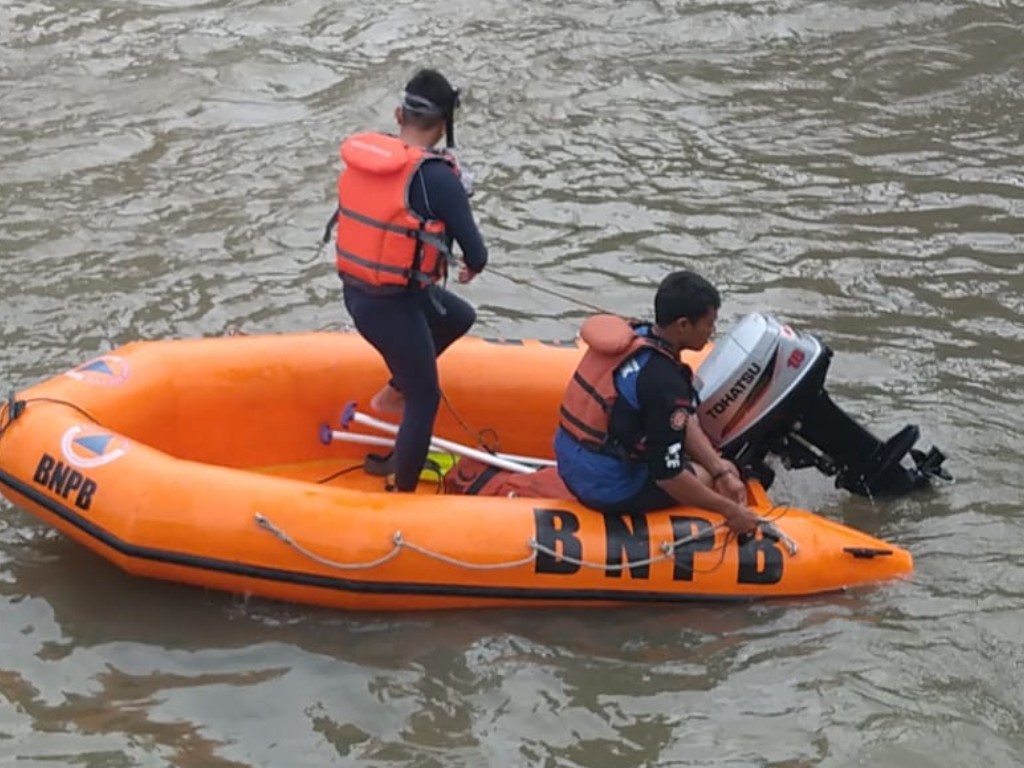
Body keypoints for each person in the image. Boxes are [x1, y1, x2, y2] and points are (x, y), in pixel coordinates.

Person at [334, 68, 488, 492]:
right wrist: (469, 262)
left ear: (398, 113)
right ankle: (401, 492)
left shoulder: (371, 159)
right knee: (426, 396)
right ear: (442, 127)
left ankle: (395, 392)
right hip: (392, 306)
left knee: (458, 316)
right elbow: (477, 254)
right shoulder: (439, 177)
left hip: (360, 295)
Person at [554, 271, 760, 534]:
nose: (713, 331)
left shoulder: (638, 336)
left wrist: (719, 468)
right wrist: (729, 509)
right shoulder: (664, 383)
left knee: (718, 469)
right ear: (683, 325)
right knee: (705, 476)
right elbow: (668, 476)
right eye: (709, 324)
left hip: (572, 463)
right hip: (605, 487)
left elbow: (679, 418)